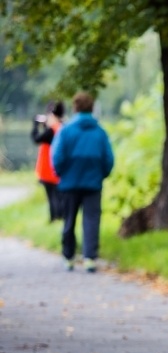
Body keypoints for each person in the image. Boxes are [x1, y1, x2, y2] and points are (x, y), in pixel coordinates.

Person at [51, 92, 114, 273]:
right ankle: (89, 258)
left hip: (69, 183)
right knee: (92, 219)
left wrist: (62, 174)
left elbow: (57, 157)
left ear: (75, 108)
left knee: (69, 220)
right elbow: (108, 159)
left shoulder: (66, 131)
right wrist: (101, 175)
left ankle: (69, 256)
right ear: (92, 108)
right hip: (93, 183)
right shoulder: (100, 132)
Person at [31, 101, 65, 222]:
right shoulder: (62, 128)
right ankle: (60, 218)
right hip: (60, 169)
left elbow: (36, 139)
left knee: (52, 197)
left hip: (48, 170)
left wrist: (35, 125)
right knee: (59, 196)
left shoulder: (52, 130)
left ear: (52, 115)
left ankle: (54, 219)